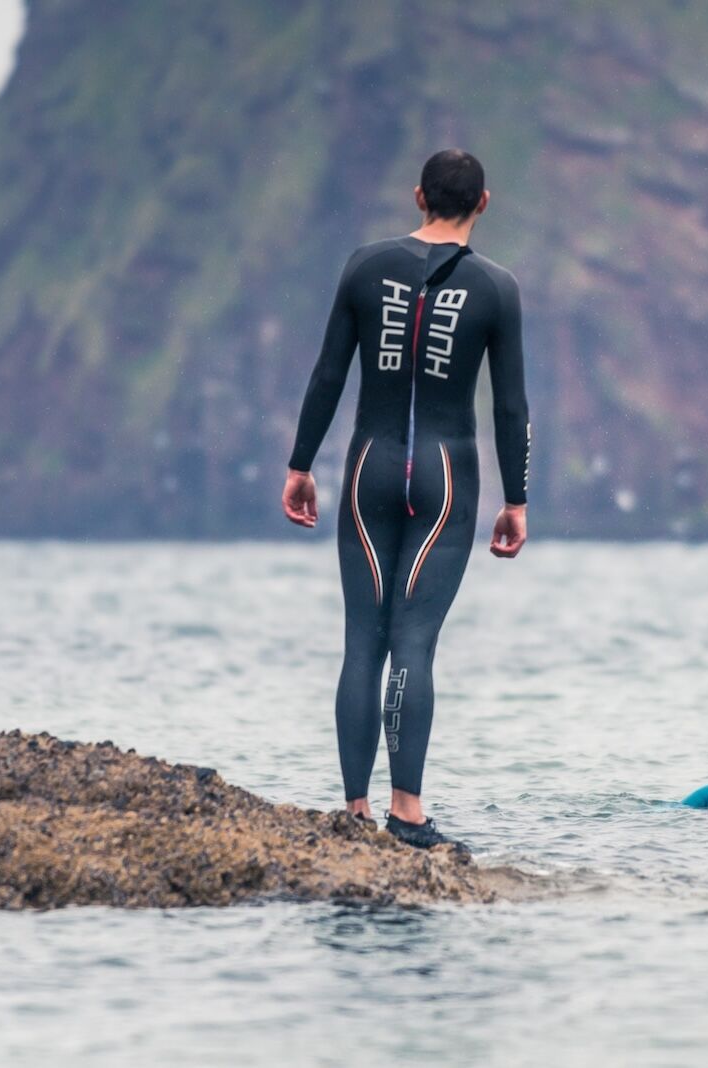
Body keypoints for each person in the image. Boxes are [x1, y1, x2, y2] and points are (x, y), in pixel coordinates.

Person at [282, 149, 530, 850]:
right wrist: (517, 498)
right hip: (446, 479)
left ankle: (355, 811)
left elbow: (329, 374)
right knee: (412, 643)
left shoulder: (366, 266)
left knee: (364, 638)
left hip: (369, 468)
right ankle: (408, 812)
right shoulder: (498, 288)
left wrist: (301, 464)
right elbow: (511, 408)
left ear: (418, 195)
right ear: (484, 203)